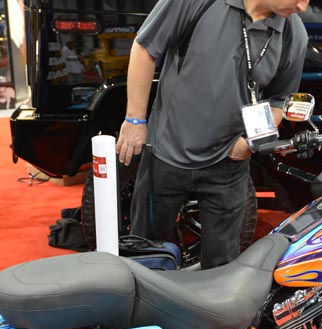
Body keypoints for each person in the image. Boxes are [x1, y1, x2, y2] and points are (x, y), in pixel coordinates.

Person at [116, 0, 309, 269]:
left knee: (221, 265)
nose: (302, 7)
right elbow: (145, 48)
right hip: (167, 155)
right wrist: (135, 120)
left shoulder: (293, 33)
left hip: (229, 165)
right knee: (145, 255)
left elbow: (279, 100)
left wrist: (249, 144)